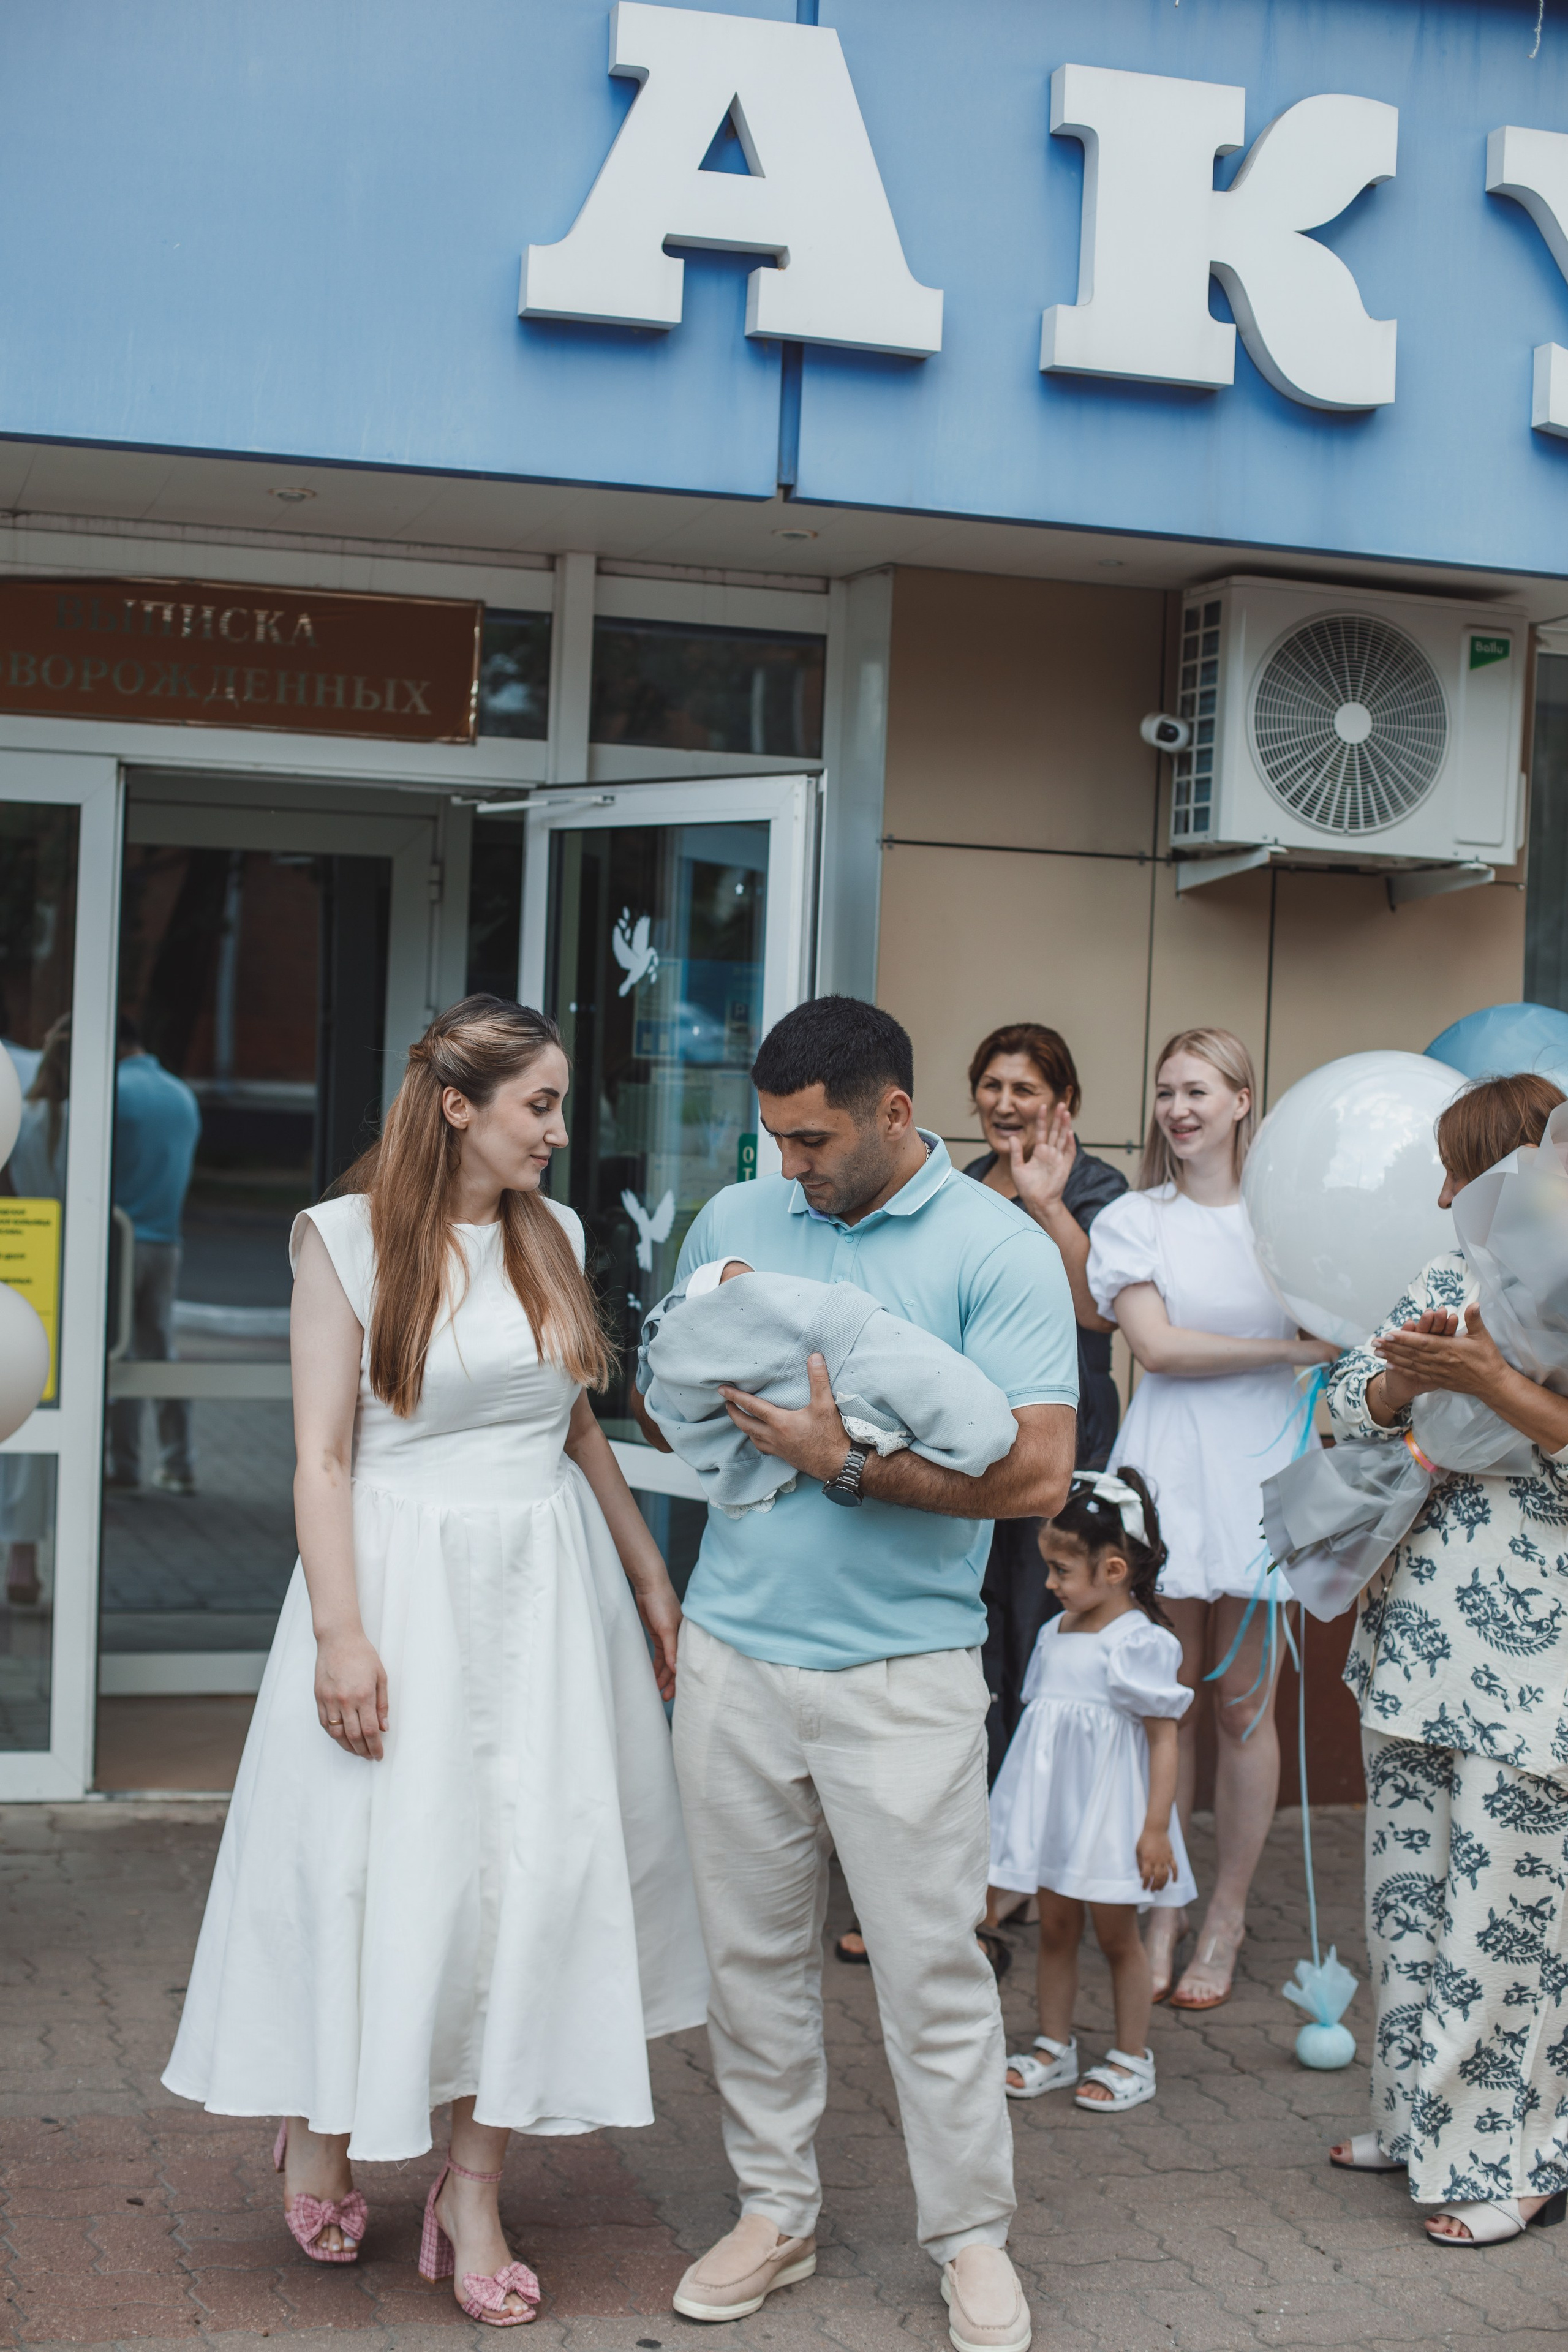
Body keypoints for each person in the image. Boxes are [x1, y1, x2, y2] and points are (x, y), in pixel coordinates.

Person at [164, 996, 708, 2320]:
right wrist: (343, 1637)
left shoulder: (558, 1234)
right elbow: (321, 1457)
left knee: (530, 1881)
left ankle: (473, 2184)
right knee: (375, 1869)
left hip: (543, 1587)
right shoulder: (341, 1243)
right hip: (397, 1584)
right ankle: (324, 2128)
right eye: (539, 1106)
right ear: (458, 1105)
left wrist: (646, 1572)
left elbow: (573, 1423)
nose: (560, 1133)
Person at [631, 995, 1077, 2352]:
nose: (790, 1167)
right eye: (773, 1139)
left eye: (812, 1140)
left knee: (931, 1976)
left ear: (893, 1113)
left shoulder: (994, 1248)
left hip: (902, 1676)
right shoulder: (735, 1221)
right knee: (751, 1961)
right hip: (731, 1655)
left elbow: (1039, 1472)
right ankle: (775, 2212)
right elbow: (671, 1382)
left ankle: (971, 2243)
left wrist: (844, 1460)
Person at [1324, 1072, 1568, 2249]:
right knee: (1408, 1897)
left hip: (1537, 1665)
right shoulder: (1443, 1282)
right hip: (1417, 1640)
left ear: (1514, 1171)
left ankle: (1514, 2158)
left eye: (1457, 1169)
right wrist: (1399, 1381)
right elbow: (1341, 1406)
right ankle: (1419, 2120)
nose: (1439, 1192)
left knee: (1507, 1916)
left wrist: (1501, 1389)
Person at [1085, 1028, 1337, 2008]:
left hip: (1264, 1478)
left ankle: (1225, 1915)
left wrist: (1321, 1348)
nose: (1178, 1109)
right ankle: (1165, 1905)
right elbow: (1156, 1347)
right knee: (1166, 1702)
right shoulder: (1135, 1220)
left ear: (1241, 1101)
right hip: (1168, 1475)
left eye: (1197, 1090)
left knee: (1243, 1708)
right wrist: (1291, 1350)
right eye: (1164, 1092)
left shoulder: (1289, 1220)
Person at [986, 1469, 1195, 2115]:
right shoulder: (1055, 1634)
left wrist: (1155, 1827)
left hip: (1110, 1817)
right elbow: (1045, 1739)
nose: (1048, 1584)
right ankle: (1053, 2045)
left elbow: (1164, 1740)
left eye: (1060, 1570)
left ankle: (1132, 2055)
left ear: (1111, 1569)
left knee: (1116, 1936)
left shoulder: (1141, 1643)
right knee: (1053, 1927)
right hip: (1056, 1814)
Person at [963, 1023, 1128, 1790]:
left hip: (1063, 1424)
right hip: (970, 1425)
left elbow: (1100, 1309)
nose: (1004, 1103)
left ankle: (1031, 1841)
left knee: (1039, 1620)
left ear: (1064, 1102)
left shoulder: (1098, 1189)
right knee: (979, 1622)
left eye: (1023, 1088)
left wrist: (1049, 1205)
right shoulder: (961, 1181)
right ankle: (979, 1823)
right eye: (991, 1085)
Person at [105, 1015, 202, 1496]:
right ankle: (178, 1462)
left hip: (117, 1239)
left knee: (115, 1355)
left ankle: (123, 1465)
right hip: (167, 1240)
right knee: (160, 1349)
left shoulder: (112, 1090)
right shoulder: (182, 1095)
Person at [1, 1014, 70, 1607]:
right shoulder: (95, 1123)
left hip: (23, 1273)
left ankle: (19, 1557)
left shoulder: (27, 1121)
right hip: (68, 1289)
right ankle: (25, 1557)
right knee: (47, 1417)